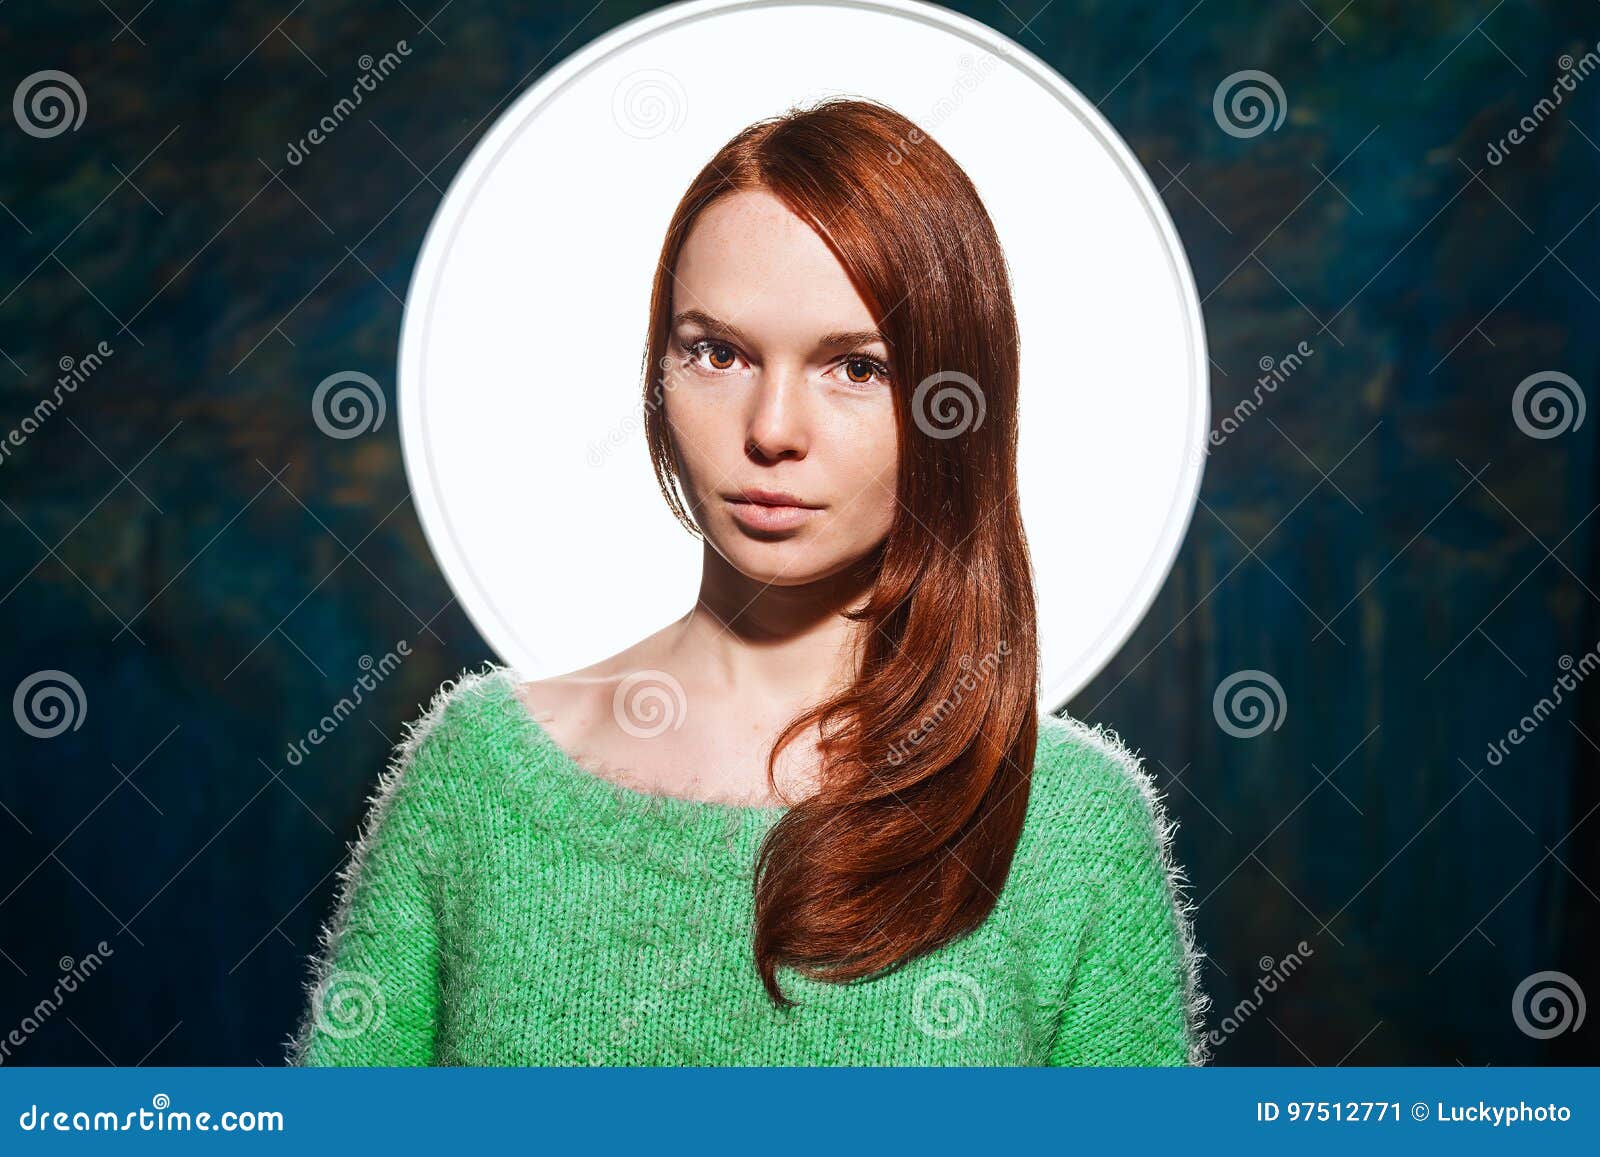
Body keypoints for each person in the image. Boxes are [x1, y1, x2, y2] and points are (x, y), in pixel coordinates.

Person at [287, 96, 1208, 1066]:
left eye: (854, 366)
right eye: (717, 352)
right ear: (659, 368)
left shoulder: (1066, 831)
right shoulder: (475, 780)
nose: (772, 428)